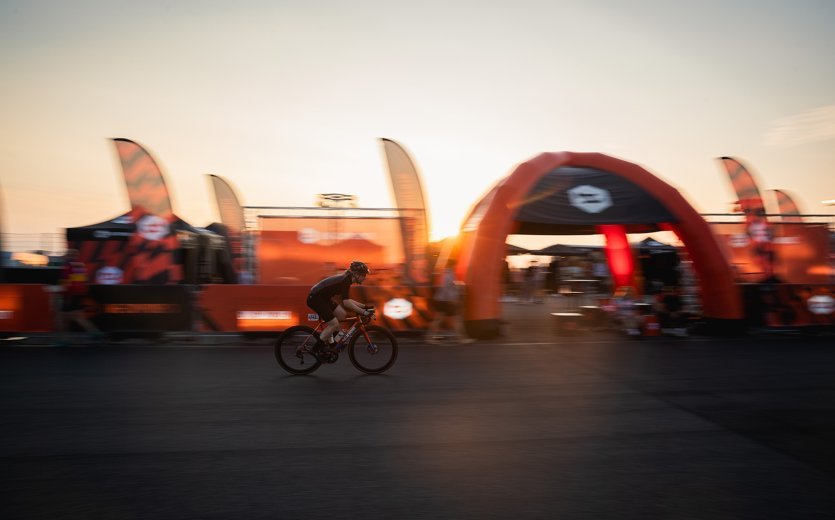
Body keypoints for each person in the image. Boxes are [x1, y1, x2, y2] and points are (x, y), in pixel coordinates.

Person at [306, 260, 373, 353]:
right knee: (334, 324)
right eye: (363, 275)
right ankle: (316, 348)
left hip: (323, 298)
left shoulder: (347, 279)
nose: (365, 278)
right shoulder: (345, 280)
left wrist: (365, 307)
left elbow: (348, 300)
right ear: (356, 274)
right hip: (315, 299)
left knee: (341, 314)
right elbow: (347, 303)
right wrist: (364, 312)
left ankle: (332, 343)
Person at [55, 249, 103, 346]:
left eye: (68, 254)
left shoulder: (66, 267)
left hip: (69, 295)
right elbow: (84, 280)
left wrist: (64, 295)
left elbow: (66, 282)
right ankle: (95, 333)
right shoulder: (81, 265)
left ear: (67, 256)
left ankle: (63, 340)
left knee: (63, 318)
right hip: (79, 294)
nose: (67, 256)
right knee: (78, 317)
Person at [426, 258, 474, 344]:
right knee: (456, 320)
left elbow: (446, 287)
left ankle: (429, 338)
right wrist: (453, 299)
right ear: (453, 265)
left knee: (438, 320)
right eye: (455, 265)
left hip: (441, 300)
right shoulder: (449, 274)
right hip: (446, 301)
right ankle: (462, 339)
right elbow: (446, 289)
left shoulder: (446, 273)